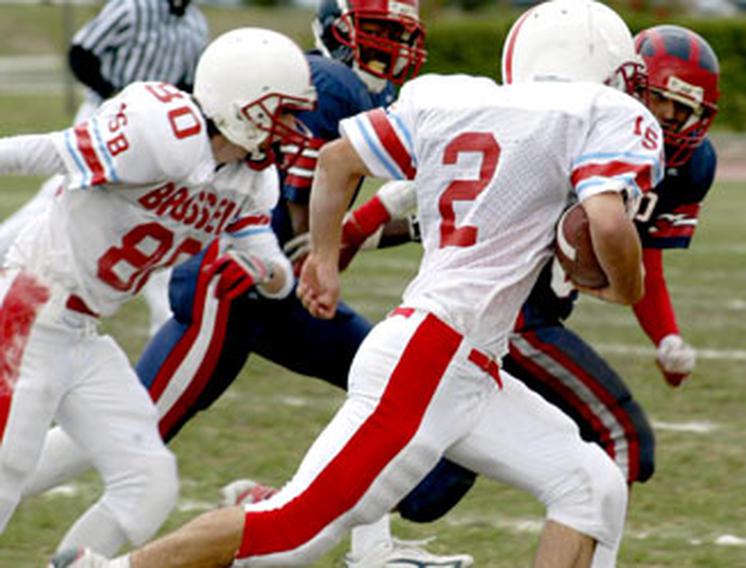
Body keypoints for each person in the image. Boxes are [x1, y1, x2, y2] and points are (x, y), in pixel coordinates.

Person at [50, 0, 663, 565]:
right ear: (603, 65)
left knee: (590, 484)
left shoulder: (458, 99)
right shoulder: (602, 112)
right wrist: (627, 288)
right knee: (289, 531)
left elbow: (338, 159)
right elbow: (607, 218)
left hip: (466, 362)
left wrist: (322, 255)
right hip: (430, 360)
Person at [27, 1, 471, 565]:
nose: (394, 47)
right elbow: (299, 203)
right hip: (230, 287)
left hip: (276, 293)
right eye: (380, 31)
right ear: (339, 30)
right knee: (134, 433)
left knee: (382, 392)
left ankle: (367, 545)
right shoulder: (328, 82)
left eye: (401, 34)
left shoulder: (345, 90)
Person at [335, 24, 721, 494]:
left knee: (428, 489)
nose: (668, 117)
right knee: (625, 440)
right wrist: (360, 226)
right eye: (660, 100)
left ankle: (287, 506)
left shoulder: (691, 167)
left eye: (685, 110)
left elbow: (645, 259)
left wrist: (666, 337)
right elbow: (456, 177)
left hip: (520, 320)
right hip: (518, 316)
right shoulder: (579, 123)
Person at [0, 27, 309, 557]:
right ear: (239, 102)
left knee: (147, 482)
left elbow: (275, 268)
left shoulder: (249, 180)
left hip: (84, 332)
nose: (291, 127)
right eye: (279, 111)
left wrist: (265, 274)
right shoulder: (162, 130)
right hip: (34, 301)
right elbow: (47, 152)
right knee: (8, 464)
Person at [0, 0, 209, 336]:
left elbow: (189, 85)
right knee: (56, 196)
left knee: (157, 213)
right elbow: (82, 53)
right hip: (106, 123)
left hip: (160, 142)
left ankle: (165, 322)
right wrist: (117, 96)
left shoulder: (196, 24)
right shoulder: (134, 7)